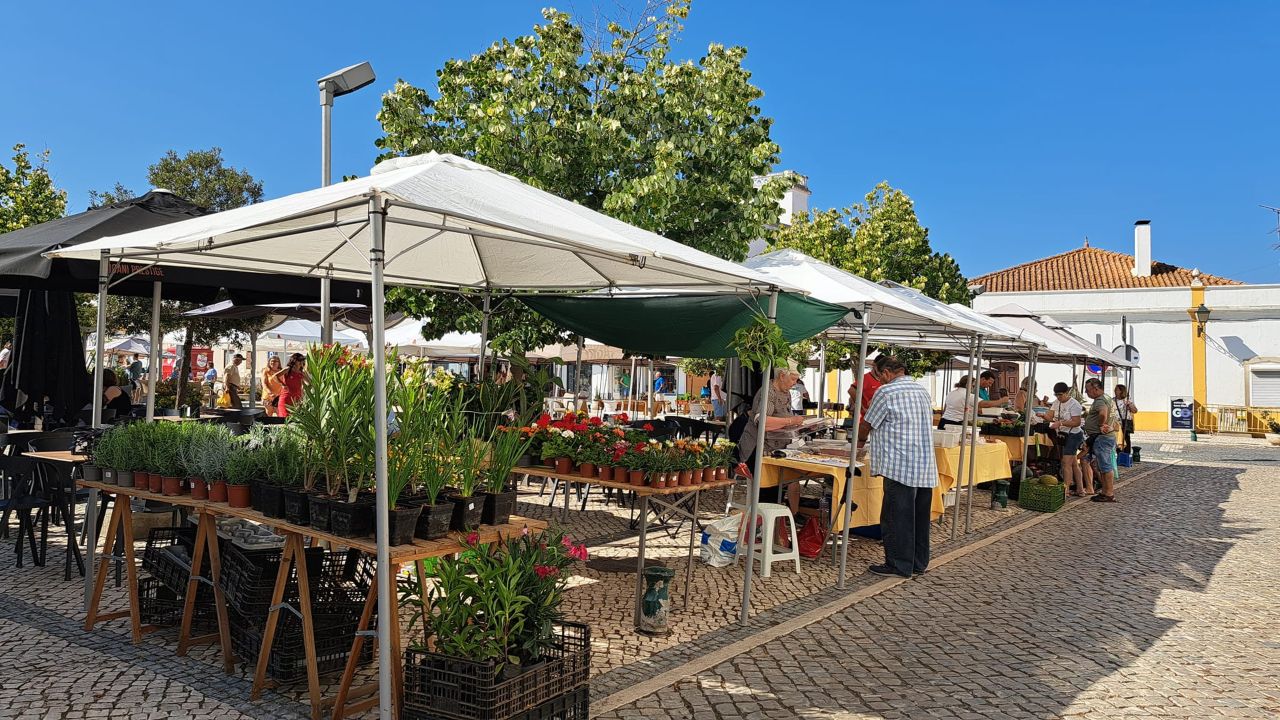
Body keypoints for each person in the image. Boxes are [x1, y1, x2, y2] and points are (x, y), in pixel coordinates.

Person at [864, 355, 937, 578]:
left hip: (898, 463)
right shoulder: (922, 390)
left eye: (878, 375)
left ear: (886, 372)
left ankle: (898, 564)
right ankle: (918, 563)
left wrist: (857, 441)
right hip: (923, 463)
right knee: (919, 518)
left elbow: (868, 423)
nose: (879, 380)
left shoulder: (886, 392)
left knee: (896, 517)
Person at [1045, 381, 1086, 496]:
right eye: (1056, 395)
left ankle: (1066, 490)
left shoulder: (1074, 404)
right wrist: (1043, 415)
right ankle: (1080, 489)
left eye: (1060, 395)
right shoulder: (1056, 402)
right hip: (1063, 435)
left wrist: (1061, 423)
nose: (1059, 397)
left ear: (1067, 393)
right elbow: (1050, 415)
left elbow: (1077, 422)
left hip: (1074, 435)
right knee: (1073, 463)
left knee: (1066, 462)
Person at [1082, 378, 1118, 502]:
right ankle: (1105, 491)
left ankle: (1108, 493)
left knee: (1105, 466)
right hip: (1105, 437)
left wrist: (1101, 425)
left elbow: (1103, 413)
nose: (1087, 393)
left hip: (1102, 437)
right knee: (1103, 466)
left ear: (1096, 388)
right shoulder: (1107, 398)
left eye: (1088, 390)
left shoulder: (1100, 401)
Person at [274, 353, 306, 417]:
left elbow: (310, 382)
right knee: (285, 419)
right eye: (299, 360)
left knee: (295, 419)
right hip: (286, 397)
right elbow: (275, 376)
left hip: (297, 399)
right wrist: (283, 384)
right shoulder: (288, 369)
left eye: (302, 360)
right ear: (294, 360)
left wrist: (304, 390)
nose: (301, 362)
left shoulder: (302, 372)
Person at [1114, 384, 1137, 451]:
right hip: (1116, 422)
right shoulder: (1113, 400)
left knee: (1126, 438)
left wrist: (1129, 404)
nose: (1115, 391)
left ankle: (1126, 454)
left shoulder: (1127, 399)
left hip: (1125, 421)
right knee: (1117, 438)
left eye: (1117, 389)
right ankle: (1119, 453)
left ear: (1121, 391)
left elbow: (1135, 411)